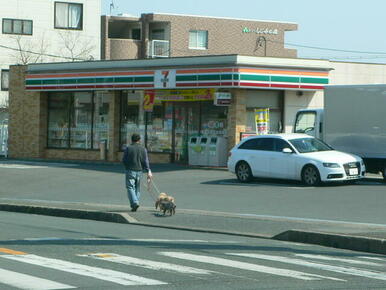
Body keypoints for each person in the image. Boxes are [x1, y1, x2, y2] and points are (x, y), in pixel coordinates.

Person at [122, 133, 152, 212]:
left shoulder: (128, 148)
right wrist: (148, 170)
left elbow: (124, 160)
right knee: (137, 188)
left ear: (131, 140)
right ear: (139, 140)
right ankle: (136, 202)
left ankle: (134, 202)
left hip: (130, 170)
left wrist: (127, 166)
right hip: (139, 171)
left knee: (130, 187)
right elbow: (145, 161)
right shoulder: (143, 149)